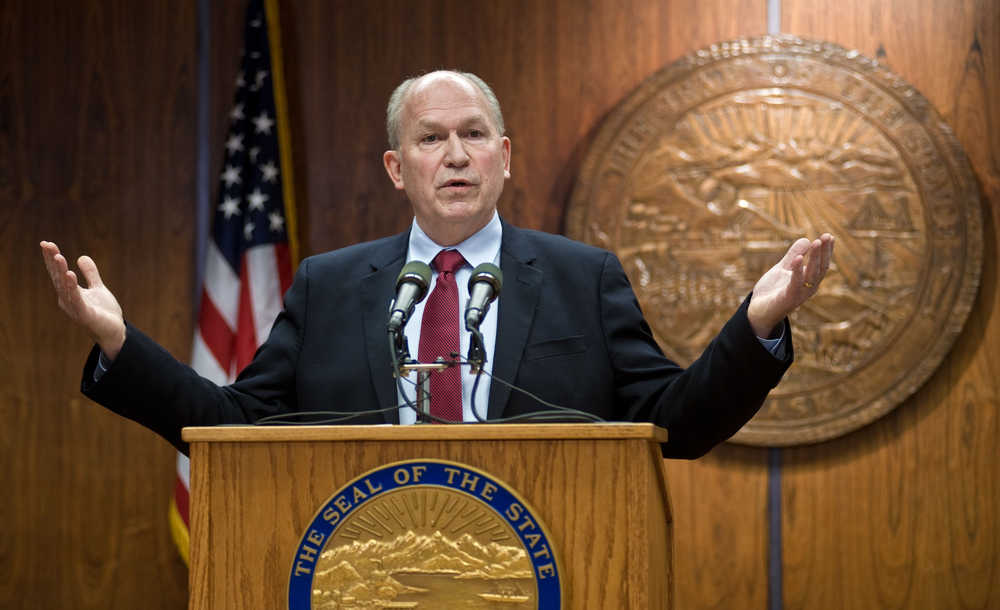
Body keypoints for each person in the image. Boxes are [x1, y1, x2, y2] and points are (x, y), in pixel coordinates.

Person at [40, 70, 834, 459]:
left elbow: (674, 423)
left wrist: (755, 325)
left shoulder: (580, 277)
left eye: (474, 134)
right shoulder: (331, 285)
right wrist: (120, 345)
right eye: (430, 138)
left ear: (504, 155)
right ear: (397, 168)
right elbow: (238, 428)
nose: (456, 155)